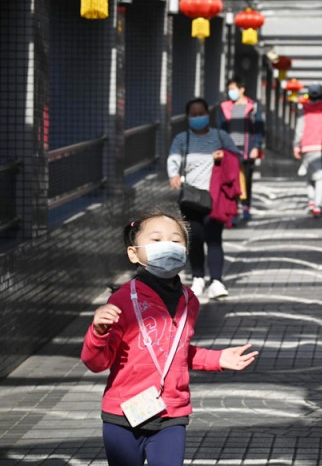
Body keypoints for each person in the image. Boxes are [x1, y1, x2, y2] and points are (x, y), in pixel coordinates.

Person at [81, 206, 258, 466]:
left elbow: (176, 351)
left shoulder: (190, 300)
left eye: (176, 241)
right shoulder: (121, 300)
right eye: (156, 240)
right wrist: (98, 332)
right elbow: (96, 363)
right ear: (134, 253)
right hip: (123, 414)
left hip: (171, 413)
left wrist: (217, 359)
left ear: (185, 251)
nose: (168, 245)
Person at [167, 98, 240, 299]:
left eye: (201, 113)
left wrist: (224, 155)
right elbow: (173, 157)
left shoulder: (220, 135)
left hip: (215, 197)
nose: (198, 117)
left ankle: (216, 281)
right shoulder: (183, 139)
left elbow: (236, 156)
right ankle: (198, 277)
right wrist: (173, 173)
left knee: (214, 238)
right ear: (188, 117)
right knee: (195, 238)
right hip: (191, 197)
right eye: (194, 114)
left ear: (208, 114)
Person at [219, 77, 265, 221]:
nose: (230, 92)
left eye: (233, 89)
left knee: (247, 178)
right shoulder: (225, 107)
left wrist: (256, 146)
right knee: (232, 180)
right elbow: (220, 129)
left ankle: (246, 206)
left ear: (242, 89)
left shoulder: (253, 107)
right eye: (229, 90)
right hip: (230, 150)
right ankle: (233, 209)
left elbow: (259, 129)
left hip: (247, 149)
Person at [293, 83, 322, 217]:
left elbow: (300, 129)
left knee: (310, 175)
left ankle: (312, 200)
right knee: (321, 177)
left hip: (307, 146)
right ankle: (318, 205)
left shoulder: (304, 109)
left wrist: (296, 145)